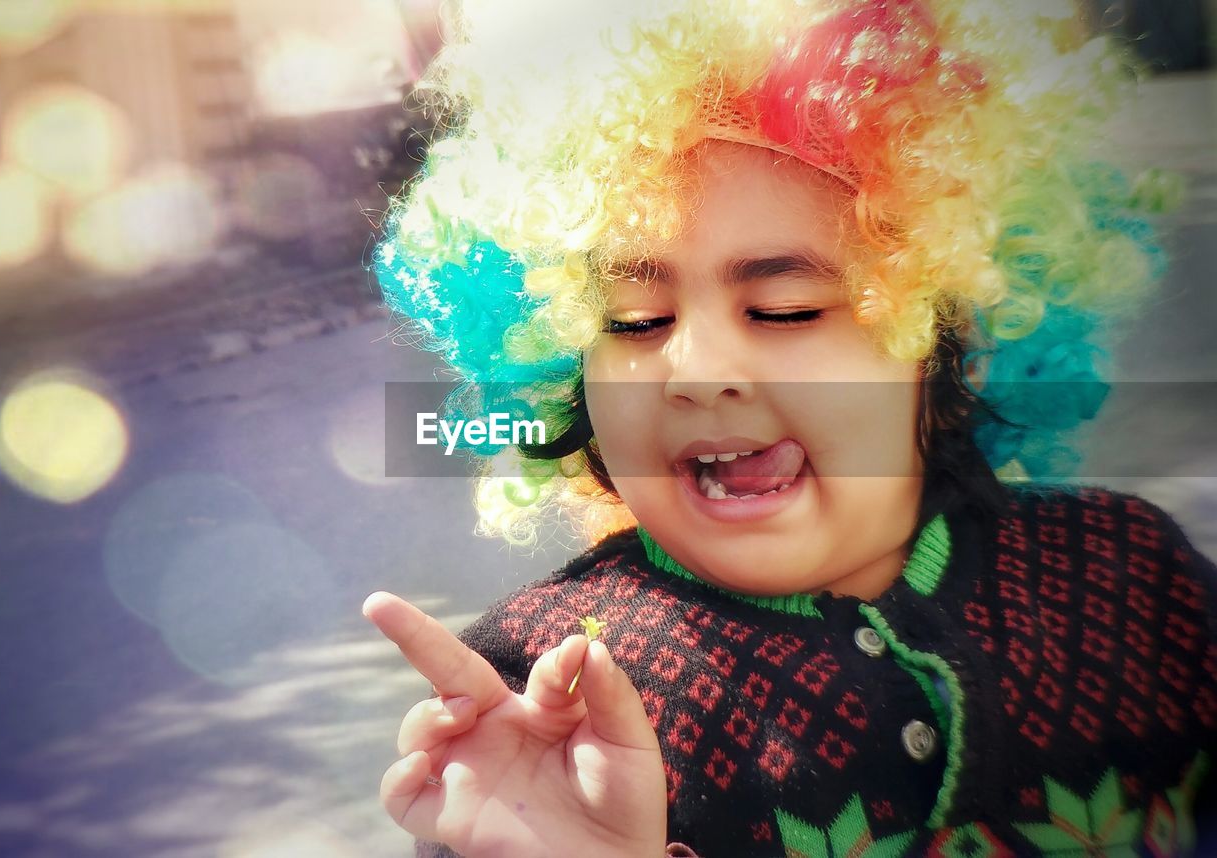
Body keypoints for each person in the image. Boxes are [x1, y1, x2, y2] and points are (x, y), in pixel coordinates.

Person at [363, 0, 1217, 855]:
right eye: (631, 320)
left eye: (785, 309)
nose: (696, 371)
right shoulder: (545, 699)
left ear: (948, 354)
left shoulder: (1131, 572)